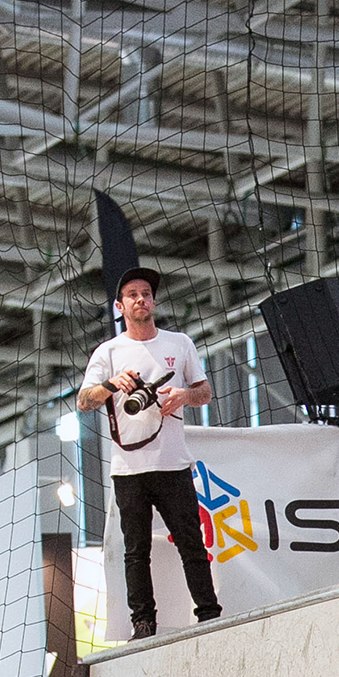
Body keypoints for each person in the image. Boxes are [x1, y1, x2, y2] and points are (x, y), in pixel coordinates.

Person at [76, 266, 223, 642]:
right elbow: (84, 401)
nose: (140, 299)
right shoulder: (108, 352)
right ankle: (143, 623)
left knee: (191, 541)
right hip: (129, 469)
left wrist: (182, 396)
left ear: (154, 301)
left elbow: (204, 390)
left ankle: (209, 612)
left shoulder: (179, 343)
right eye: (132, 295)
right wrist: (112, 384)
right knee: (135, 551)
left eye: (146, 293)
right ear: (120, 306)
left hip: (172, 462)